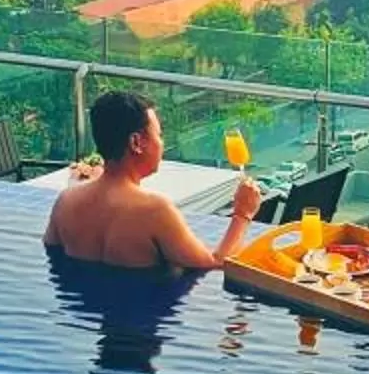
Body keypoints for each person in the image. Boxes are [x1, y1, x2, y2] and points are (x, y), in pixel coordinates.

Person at [44, 87, 263, 271]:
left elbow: (51, 252)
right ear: (136, 143)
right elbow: (217, 263)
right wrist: (242, 214)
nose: (162, 144)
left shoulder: (66, 201)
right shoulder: (154, 211)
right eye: (159, 135)